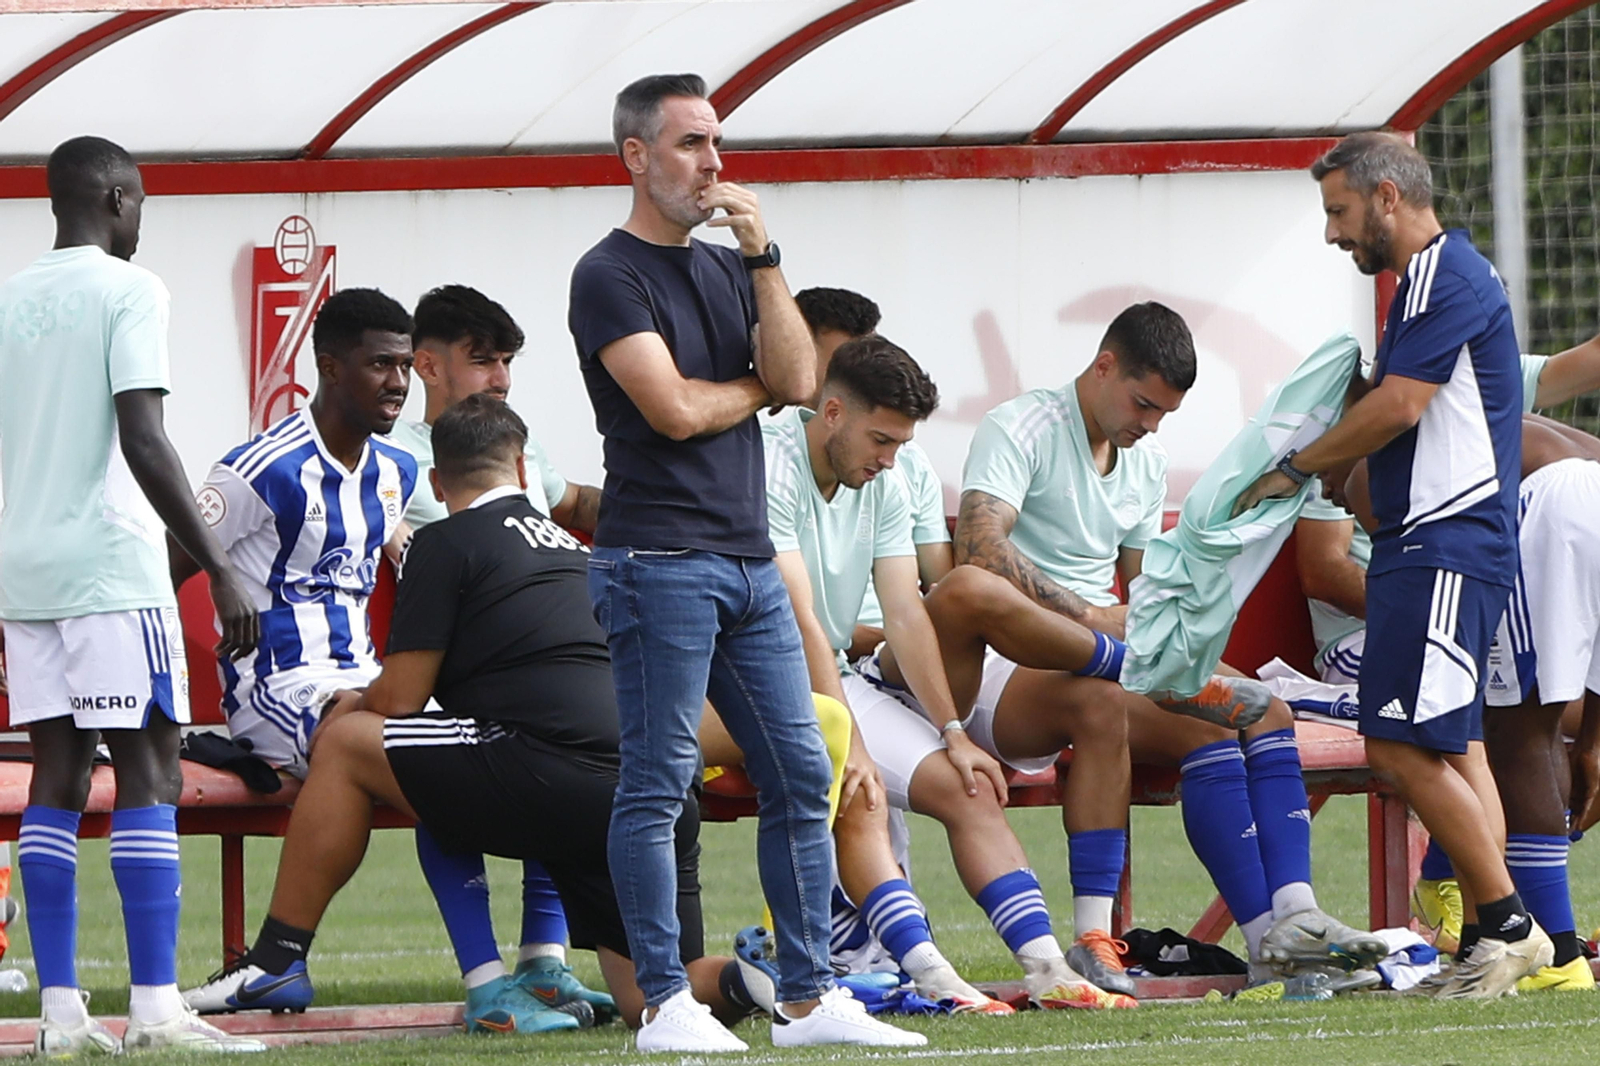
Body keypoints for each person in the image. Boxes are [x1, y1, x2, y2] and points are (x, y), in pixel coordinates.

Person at [183, 396, 777, 1040]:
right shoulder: (579, 551)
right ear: (523, 470)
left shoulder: (443, 542)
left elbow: (401, 700)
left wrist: (354, 703)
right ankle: (744, 980)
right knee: (651, 996)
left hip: (555, 777)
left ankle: (277, 959)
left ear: (437, 484)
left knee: (351, 742)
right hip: (656, 787)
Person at [569, 73, 920, 1051]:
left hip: (745, 561)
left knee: (803, 771)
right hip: (656, 559)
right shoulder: (608, 273)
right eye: (689, 144)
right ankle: (665, 1004)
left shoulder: (733, 268)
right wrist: (754, 387)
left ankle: (807, 1000)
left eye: (716, 143)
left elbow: (802, 378)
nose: (713, 164)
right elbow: (676, 411)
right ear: (636, 155)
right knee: (657, 782)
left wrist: (764, 256)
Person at [954, 301, 1382, 985]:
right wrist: (1091, 615)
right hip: (1012, 666)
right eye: (1144, 404)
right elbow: (977, 549)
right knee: (1169, 717)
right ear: (1104, 366)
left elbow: (1142, 591)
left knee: (1263, 710)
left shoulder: (1144, 458)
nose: (1151, 425)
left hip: (1107, 659)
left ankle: (1291, 926)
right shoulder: (1021, 426)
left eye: (1164, 414)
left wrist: (1186, 615)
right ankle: (1157, 940)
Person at [1233, 131, 1551, 998]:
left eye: (1338, 211)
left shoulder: (1447, 273)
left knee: (1397, 744)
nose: (1332, 232)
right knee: (1457, 748)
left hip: (1443, 543)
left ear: (1386, 197)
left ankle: (1511, 929)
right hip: (1443, 545)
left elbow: (1403, 406)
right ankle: (1490, 937)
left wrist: (1296, 465)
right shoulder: (1423, 282)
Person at [767, 334, 1156, 1010]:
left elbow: (905, 611)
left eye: (900, 444)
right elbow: (797, 622)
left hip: (838, 678)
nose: (890, 460)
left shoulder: (886, 475)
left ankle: (1050, 971)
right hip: (758, 682)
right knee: (861, 791)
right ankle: (935, 979)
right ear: (832, 413)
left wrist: (952, 731)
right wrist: (850, 741)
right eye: (881, 440)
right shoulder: (771, 463)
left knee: (968, 784)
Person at [0, 135, 265, 1054]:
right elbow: (144, 437)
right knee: (150, 769)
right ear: (116, 199)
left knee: (57, 778)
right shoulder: (131, 289)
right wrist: (218, 564)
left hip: (26, 571)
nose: (141, 217)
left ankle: (60, 1016)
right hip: (112, 566)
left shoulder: (10, 296)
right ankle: (155, 1010)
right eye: (141, 201)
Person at [1295, 346, 1600, 952]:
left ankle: (1551, 947)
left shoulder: (1373, 469)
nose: (1324, 489)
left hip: (1553, 508)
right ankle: (1461, 887)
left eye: (1319, 467)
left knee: (1513, 731)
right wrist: (1594, 739)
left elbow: (1425, 605)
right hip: (1588, 495)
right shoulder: (1479, 408)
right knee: (1517, 722)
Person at [387, 284, 612, 1026]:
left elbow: (571, 504)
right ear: (427, 365)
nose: (502, 377)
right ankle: (484, 980)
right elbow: (383, 546)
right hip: (445, 674)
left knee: (557, 743)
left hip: (534, 677)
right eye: (484, 359)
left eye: (508, 361)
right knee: (438, 768)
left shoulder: (518, 445)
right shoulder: (393, 456)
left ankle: (544, 965)